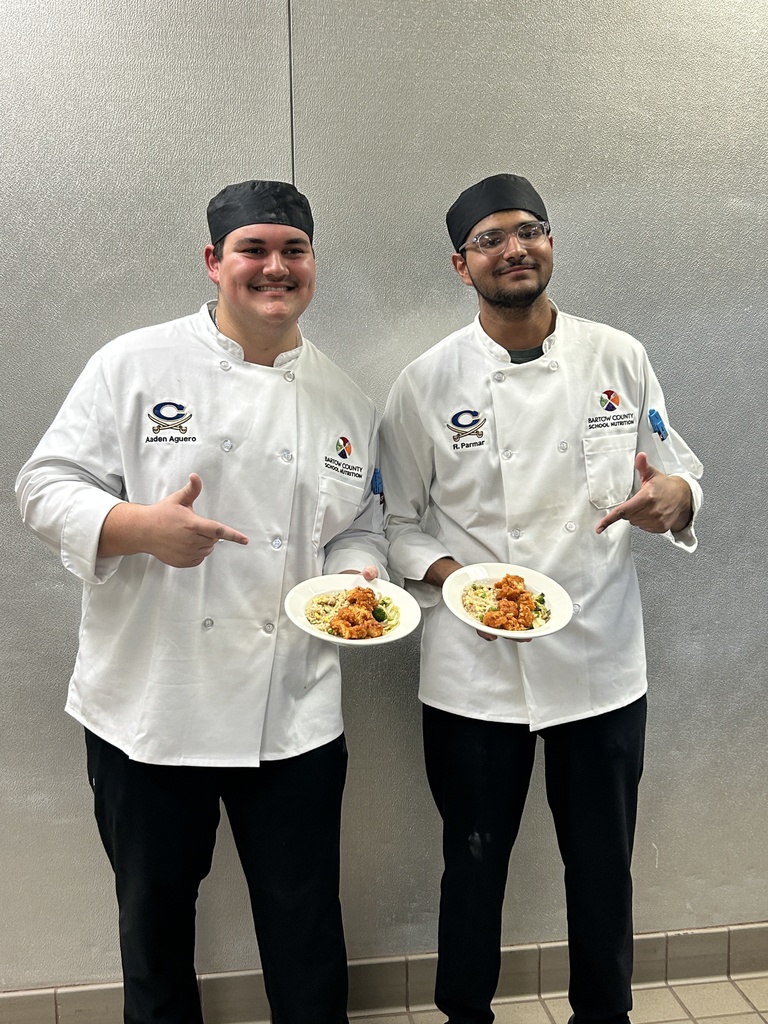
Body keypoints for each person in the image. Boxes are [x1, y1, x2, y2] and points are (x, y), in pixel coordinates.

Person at [16, 179, 388, 1024]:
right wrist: (134, 525)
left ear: (313, 265)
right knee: (153, 932)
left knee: (304, 930)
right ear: (214, 262)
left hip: (291, 711)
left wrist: (360, 574)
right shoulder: (133, 364)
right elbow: (42, 485)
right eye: (253, 249)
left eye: (293, 250)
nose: (274, 267)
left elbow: (360, 522)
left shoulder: (345, 399)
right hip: (151, 705)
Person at [378, 173, 703, 1024]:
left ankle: (606, 1014)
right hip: (472, 674)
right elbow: (396, 525)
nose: (514, 249)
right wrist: (460, 581)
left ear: (550, 243)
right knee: (473, 862)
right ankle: (465, 1015)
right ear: (461, 265)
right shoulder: (423, 384)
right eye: (490, 239)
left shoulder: (618, 357)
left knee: (603, 864)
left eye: (530, 230)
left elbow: (674, 467)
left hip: (599, 661)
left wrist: (680, 499)